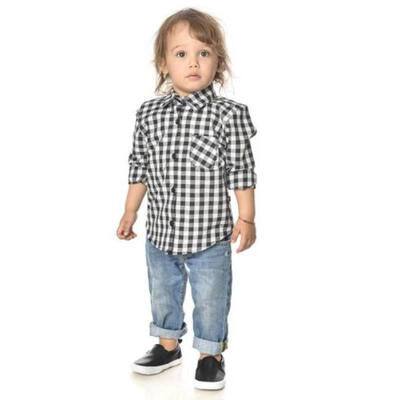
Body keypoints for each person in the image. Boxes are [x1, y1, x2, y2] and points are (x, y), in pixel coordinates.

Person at [116, 8, 257, 391]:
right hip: (161, 232)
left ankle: (211, 355)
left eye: (203, 53)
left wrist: (246, 217)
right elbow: (139, 166)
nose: (193, 62)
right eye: (181, 54)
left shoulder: (228, 115)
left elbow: (242, 170)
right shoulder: (148, 114)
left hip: (209, 235)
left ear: (218, 62)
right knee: (163, 290)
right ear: (164, 63)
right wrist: (130, 210)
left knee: (211, 297)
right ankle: (167, 346)